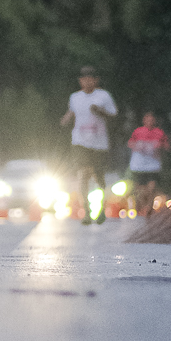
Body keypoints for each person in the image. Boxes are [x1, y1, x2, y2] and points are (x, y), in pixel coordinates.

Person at [60, 66, 118, 223]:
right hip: (80, 141)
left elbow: (113, 115)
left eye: (90, 79)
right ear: (80, 81)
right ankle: (86, 210)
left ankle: (102, 209)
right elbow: (72, 111)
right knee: (83, 173)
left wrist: (100, 111)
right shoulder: (75, 97)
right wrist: (66, 119)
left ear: (96, 80)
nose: (87, 82)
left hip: (99, 142)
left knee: (99, 177)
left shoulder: (103, 96)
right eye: (84, 79)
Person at [126, 109, 168, 218]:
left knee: (152, 187)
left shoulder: (159, 132)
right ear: (144, 120)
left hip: (152, 164)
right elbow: (130, 143)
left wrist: (160, 146)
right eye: (147, 119)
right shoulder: (138, 131)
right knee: (139, 188)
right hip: (139, 164)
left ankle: (149, 207)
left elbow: (167, 145)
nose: (150, 122)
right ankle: (140, 206)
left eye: (152, 120)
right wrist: (138, 146)